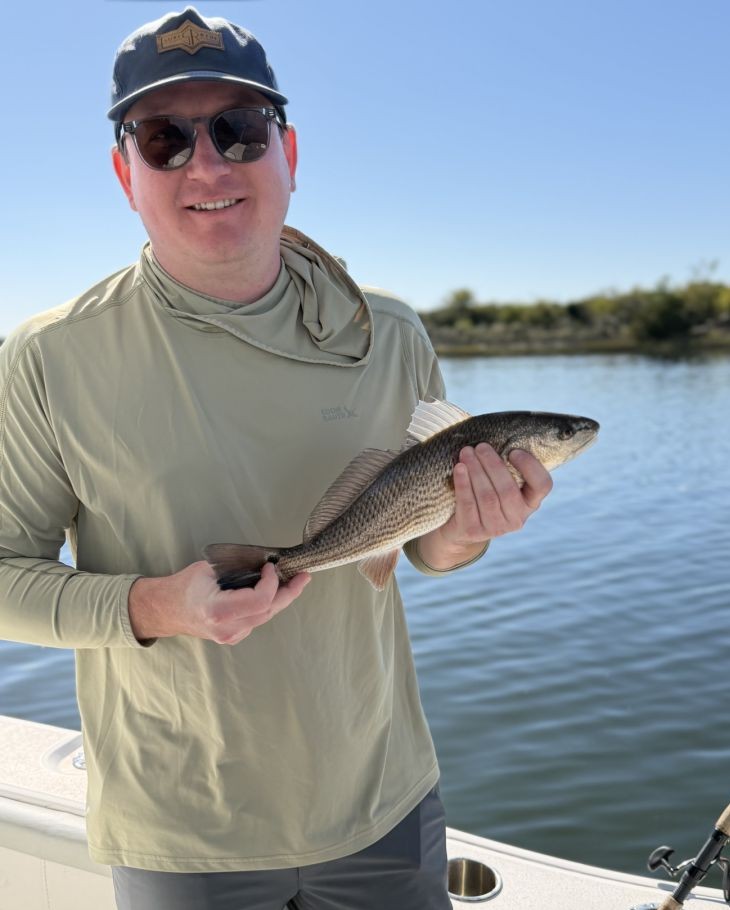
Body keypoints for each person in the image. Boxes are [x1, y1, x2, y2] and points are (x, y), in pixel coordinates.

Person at [0, 7, 553, 909]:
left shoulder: (392, 333)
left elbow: (425, 546)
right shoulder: (47, 358)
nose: (208, 165)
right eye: (164, 138)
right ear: (124, 172)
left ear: (288, 152)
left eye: (239, 130)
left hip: (384, 801)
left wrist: (468, 532)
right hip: (179, 829)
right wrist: (154, 606)